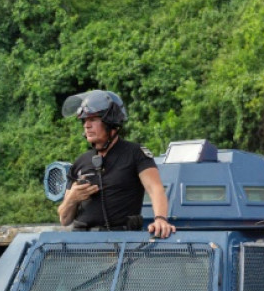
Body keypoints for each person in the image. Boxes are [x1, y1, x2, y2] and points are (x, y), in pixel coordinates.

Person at [57, 90, 175, 238]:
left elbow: (155, 188)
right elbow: (64, 220)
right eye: (84, 121)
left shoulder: (135, 153)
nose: (86, 125)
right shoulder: (80, 162)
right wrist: (71, 198)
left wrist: (160, 219)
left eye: (93, 119)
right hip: (83, 246)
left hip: (122, 244)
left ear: (110, 122)